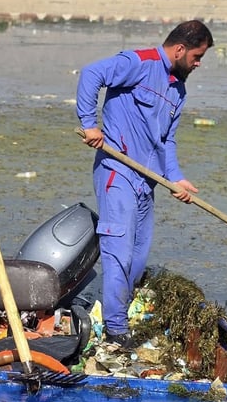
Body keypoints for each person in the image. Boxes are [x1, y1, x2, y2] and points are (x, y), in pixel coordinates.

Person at [76, 20, 214, 348]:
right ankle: (115, 330)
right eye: (196, 56)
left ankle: (118, 314)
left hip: (146, 182)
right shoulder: (138, 63)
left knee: (137, 259)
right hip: (117, 172)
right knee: (118, 253)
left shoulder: (178, 90)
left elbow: (167, 140)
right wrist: (89, 123)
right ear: (179, 49)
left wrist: (175, 177)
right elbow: (91, 74)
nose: (198, 63)